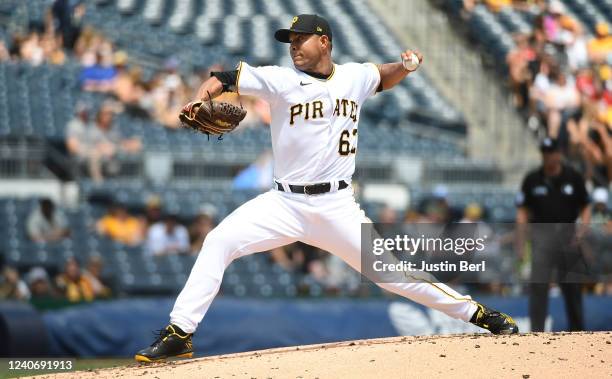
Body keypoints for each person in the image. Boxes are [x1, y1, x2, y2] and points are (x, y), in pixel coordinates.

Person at [135, 14, 518, 363]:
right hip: (284, 202)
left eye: (301, 38)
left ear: (325, 42)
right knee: (219, 241)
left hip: (338, 206)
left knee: (393, 276)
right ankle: (180, 331)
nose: (294, 46)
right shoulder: (282, 79)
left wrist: (404, 67)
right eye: (290, 40)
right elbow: (224, 77)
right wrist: (201, 98)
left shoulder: (353, 76)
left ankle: (479, 314)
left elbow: (381, 75)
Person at [516, 137, 590, 331]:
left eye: (551, 152)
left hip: (568, 238)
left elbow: (585, 206)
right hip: (542, 238)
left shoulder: (573, 177)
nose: (547, 156)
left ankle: (578, 333)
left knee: (573, 289)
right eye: (544, 153)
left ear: (559, 153)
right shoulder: (532, 179)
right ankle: (537, 335)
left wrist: (582, 231)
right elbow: (522, 213)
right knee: (538, 288)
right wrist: (521, 245)